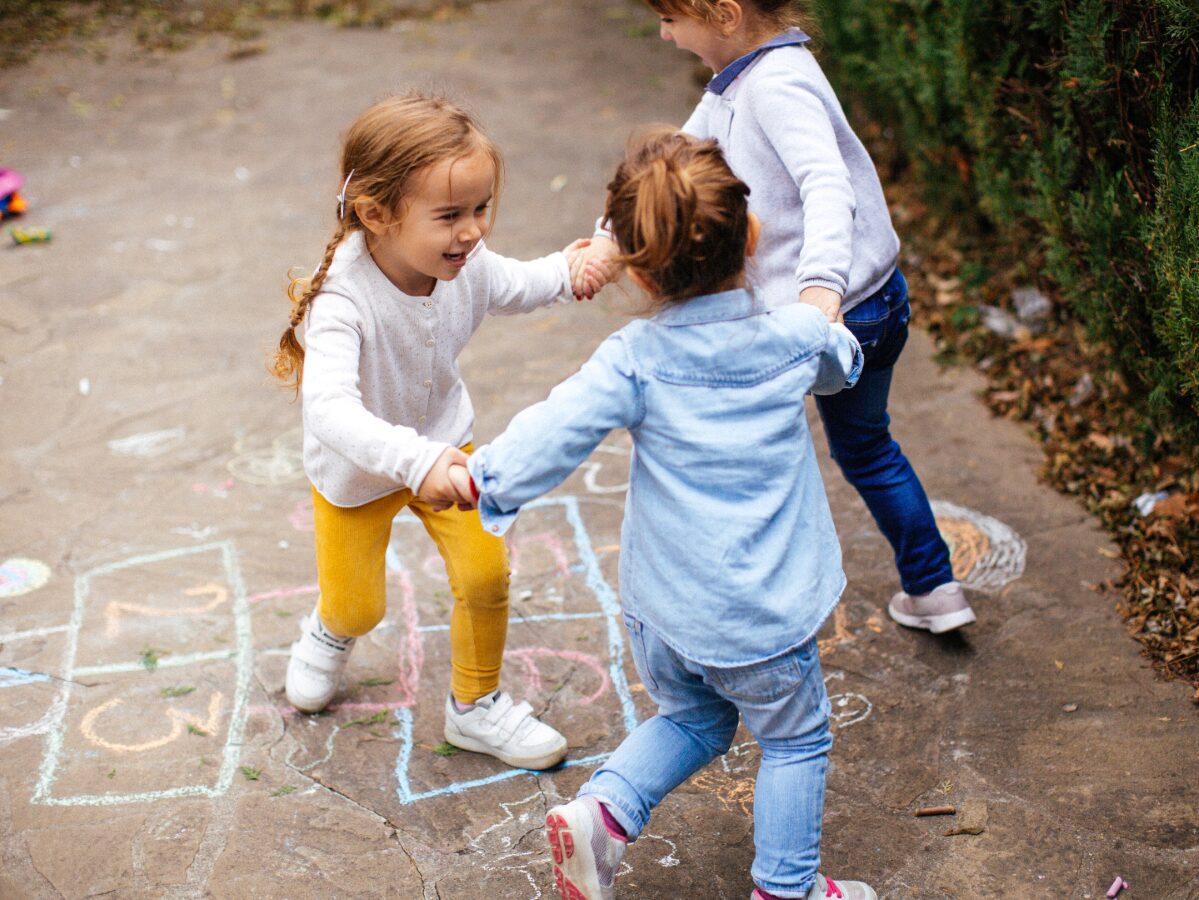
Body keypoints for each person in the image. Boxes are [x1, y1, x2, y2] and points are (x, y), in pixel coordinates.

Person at [451, 132, 876, 900]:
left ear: (639, 272)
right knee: (794, 740)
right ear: (751, 234)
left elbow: (555, 429)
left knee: (693, 719)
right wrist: (823, 317)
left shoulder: (635, 357)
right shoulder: (791, 339)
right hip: (761, 617)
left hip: (664, 610)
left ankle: (603, 814)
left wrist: (484, 478)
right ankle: (786, 890)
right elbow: (841, 365)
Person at [572, 0, 976, 634]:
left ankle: (753, 602)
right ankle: (935, 590)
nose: (664, 34)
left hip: (829, 315)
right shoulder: (741, 79)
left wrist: (821, 289)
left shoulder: (776, 85)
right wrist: (606, 238)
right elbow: (669, 166)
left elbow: (827, 183)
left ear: (725, 14)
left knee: (751, 452)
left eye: (671, 20)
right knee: (868, 449)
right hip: (873, 300)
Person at [269, 93, 585, 770]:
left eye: (481, 208)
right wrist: (417, 463)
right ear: (376, 214)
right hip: (359, 473)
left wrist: (575, 269)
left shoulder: (465, 264)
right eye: (448, 216)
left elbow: (523, 282)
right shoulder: (342, 299)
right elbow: (329, 409)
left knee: (485, 574)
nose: (471, 232)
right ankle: (328, 630)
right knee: (358, 608)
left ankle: (475, 707)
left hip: (446, 445)